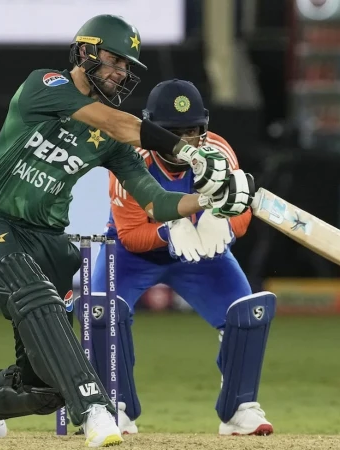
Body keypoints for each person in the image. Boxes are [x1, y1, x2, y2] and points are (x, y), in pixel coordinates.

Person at [0, 15, 255, 448]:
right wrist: (190, 153)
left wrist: (206, 200)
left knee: (44, 389)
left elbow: (157, 203)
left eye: (127, 67)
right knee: (35, 294)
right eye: (114, 60)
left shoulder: (113, 139)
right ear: (85, 51)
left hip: (49, 243)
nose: (121, 73)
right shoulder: (44, 85)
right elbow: (116, 122)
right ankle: (94, 409)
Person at [85, 79, 276, 436]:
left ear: (204, 127)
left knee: (247, 314)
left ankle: (240, 409)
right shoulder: (129, 157)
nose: (185, 143)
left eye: (192, 131)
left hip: (199, 250)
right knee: (101, 312)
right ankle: (114, 408)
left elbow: (242, 209)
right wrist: (167, 232)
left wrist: (227, 224)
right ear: (151, 130)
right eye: (172, 134)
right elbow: (131, 235)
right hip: (133, 252)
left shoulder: (219, 151)